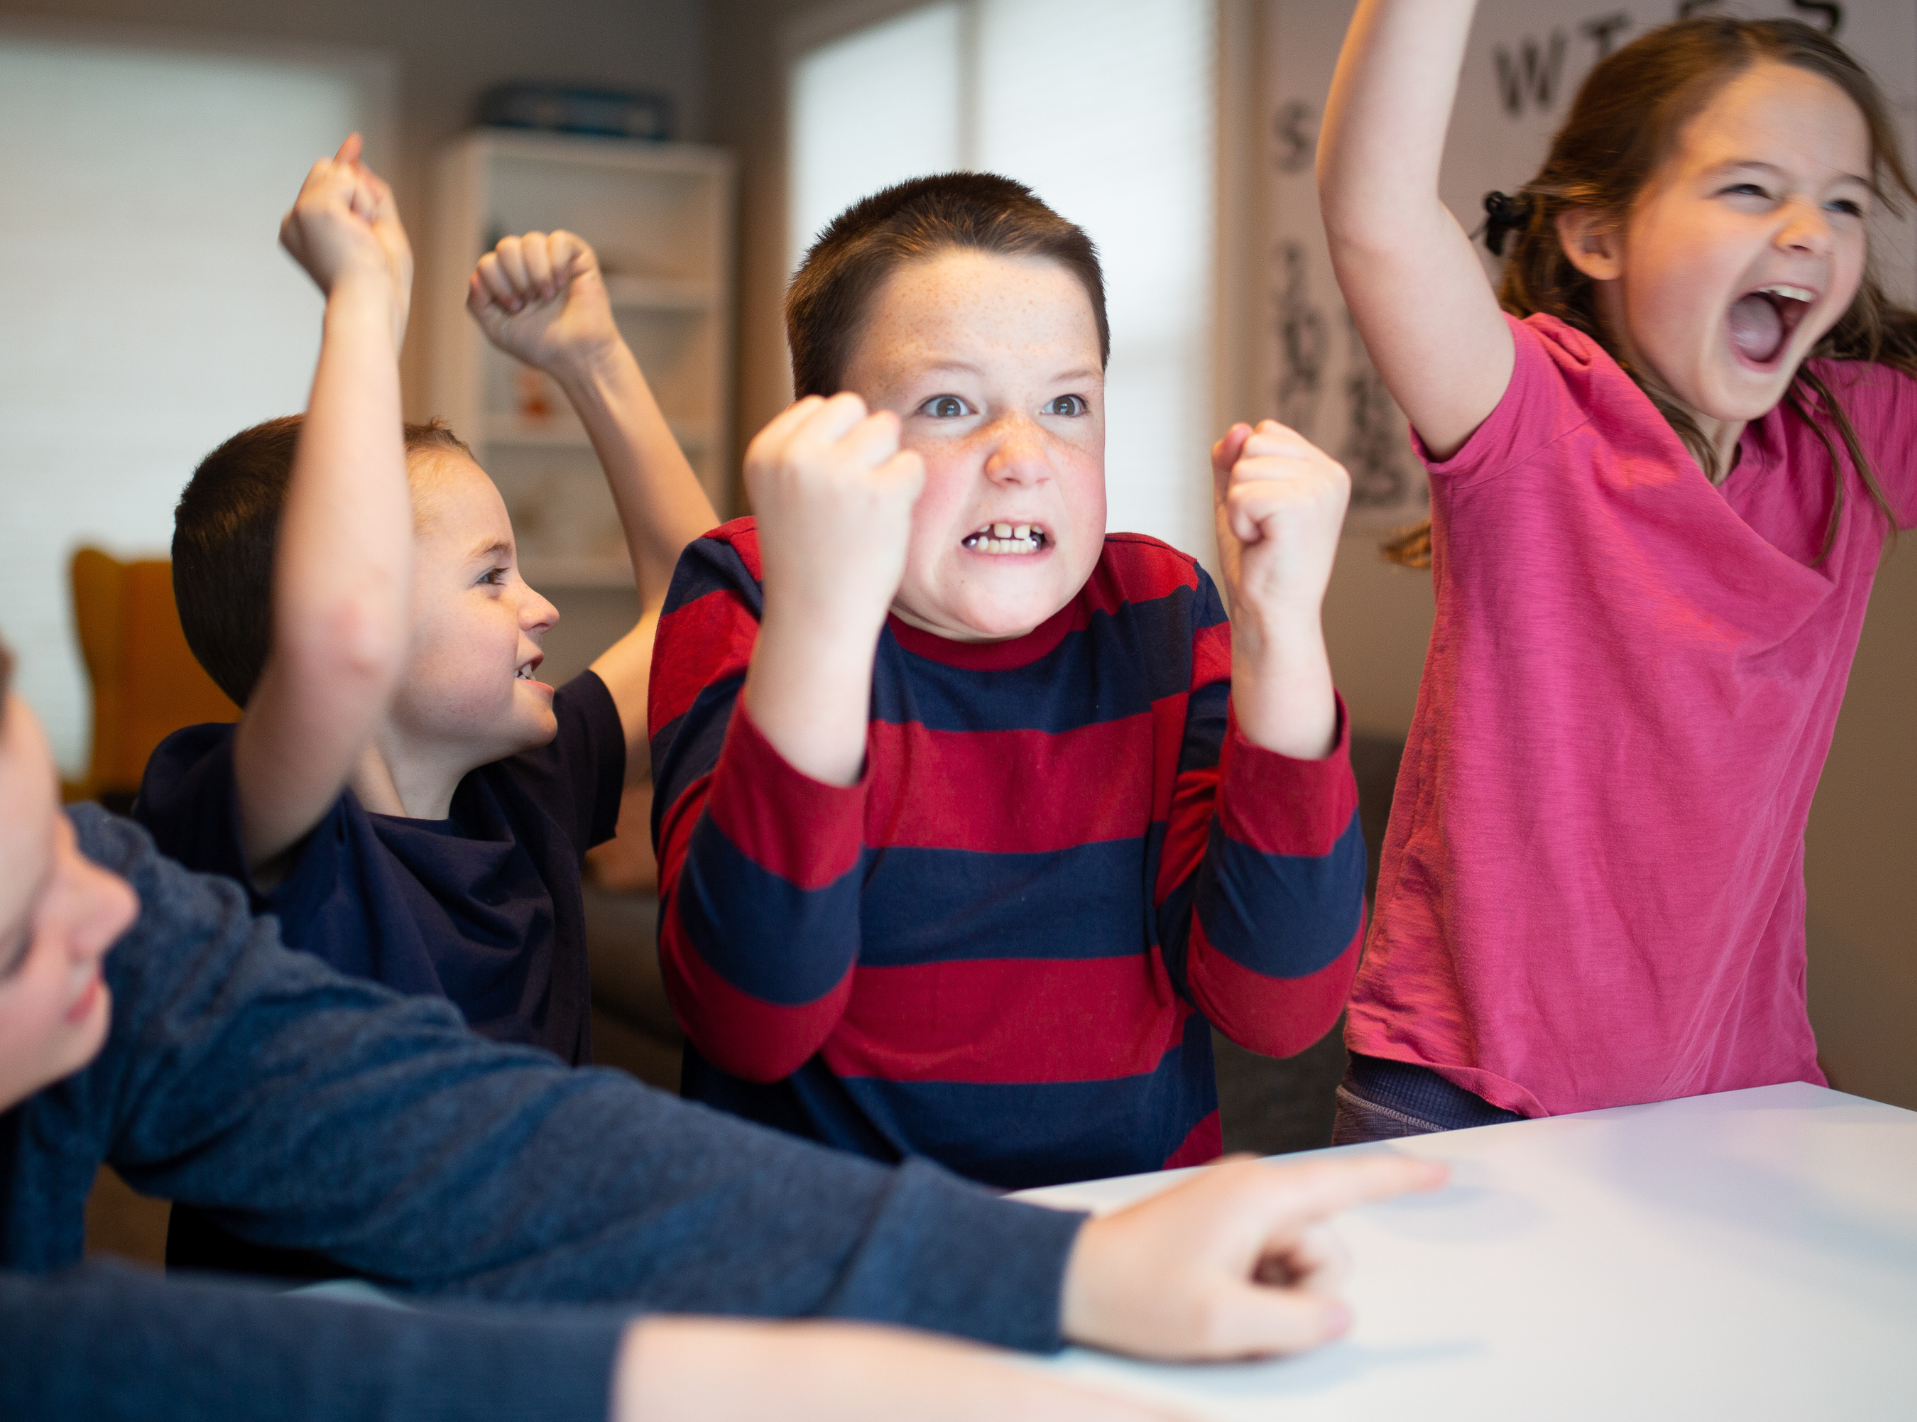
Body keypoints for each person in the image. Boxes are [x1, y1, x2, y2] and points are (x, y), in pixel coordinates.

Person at [0, 642, 1446, 1420]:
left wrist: (1068, 1265)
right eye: (18, 935)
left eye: (76, 849)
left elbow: (485, 1145)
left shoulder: (115, 912)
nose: (105, 923)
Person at [1315, 0, 1917, 1140]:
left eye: (1842, 201)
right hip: (1464, 1093)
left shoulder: (1849, 438)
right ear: (1596, 237)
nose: (1811, 232)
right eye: (1752, 190)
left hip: (1735, 1097)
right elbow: (1371, 211)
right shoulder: (1536, 416)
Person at [650, 174, 1367, 1188]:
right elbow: (751, 1016)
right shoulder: (751, 589)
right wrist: (822, 611)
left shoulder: (1164, 610)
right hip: (833, 1255)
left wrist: (1282, 626)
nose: (1025, 456)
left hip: (1124, 1239)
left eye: (1067, 402)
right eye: (951, 404)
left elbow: (1279, 1007)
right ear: (829, 443)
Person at [130, 141, 715, 1267]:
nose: (540, 607)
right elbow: (336, 638)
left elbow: (711, 620)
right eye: (491, 576)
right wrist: (362, 296)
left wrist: (589, 358)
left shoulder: (522, 785)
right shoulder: (256, 836)